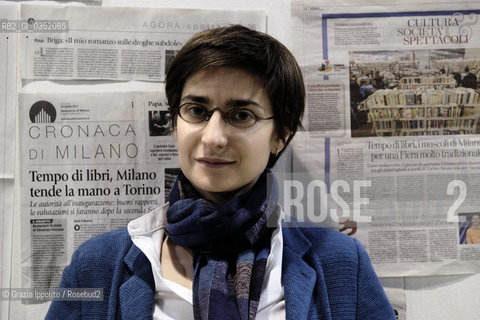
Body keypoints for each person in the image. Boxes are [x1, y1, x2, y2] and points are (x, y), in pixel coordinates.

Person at [46, 25, 395, 319]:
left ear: (281, 136)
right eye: (196, 110)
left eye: (241, 115)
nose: (213, 138)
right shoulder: (96, 264)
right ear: (175, 124)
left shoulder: (341, 263)